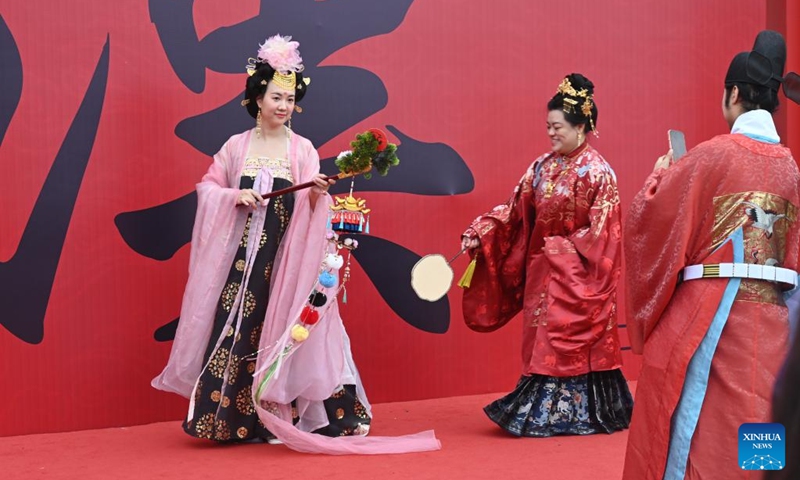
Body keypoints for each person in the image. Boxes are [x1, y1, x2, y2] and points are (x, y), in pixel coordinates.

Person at [151, 34, 439, 454]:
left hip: (284, 261)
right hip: (239, 261)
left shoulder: (301, 149)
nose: (283, 106)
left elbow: (308, 205)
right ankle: (228, 420)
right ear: (257, 98)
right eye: (275, 97)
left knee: (289, 332)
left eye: (289, 99)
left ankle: (292, 415)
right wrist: (235, 196)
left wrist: (318, 193)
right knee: (236, 325)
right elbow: (208, 188)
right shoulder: (236, 147)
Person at [622, 30, 800, 479]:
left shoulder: (710, 157)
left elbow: (654, 221)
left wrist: (659, 177)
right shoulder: (790, 167)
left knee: (699, 420)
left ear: (734, 94)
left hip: (713, 313)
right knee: (761, 410)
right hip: (774, 315)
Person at [460, 73, 633, 437]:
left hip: (577, 274)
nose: (551, 133)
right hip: (545, 272)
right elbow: (514, 210)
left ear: (581, 126)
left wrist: (561, 249)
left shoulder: (600, 173)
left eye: (558, 127)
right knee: (540, 342)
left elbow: (606, 233)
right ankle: (544, 411)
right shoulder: (541, 167)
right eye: (548, 126)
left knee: (566, 340)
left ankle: (581, 413)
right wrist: (481, 231)